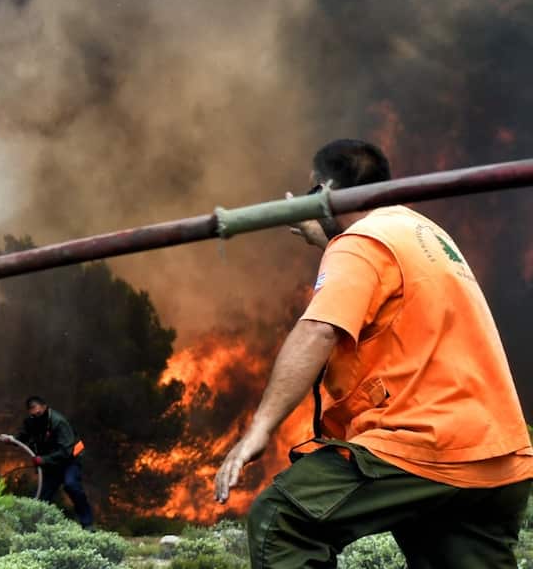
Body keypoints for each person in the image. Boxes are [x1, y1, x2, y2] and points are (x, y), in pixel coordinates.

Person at [214, 138, 533, 568]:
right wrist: (328, 237)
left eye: (312, 193)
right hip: (495, 457)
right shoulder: (423, 233)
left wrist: (260, 430)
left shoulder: (361, 241)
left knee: (282, 519)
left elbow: (319, 330)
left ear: (326, 189)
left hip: (425, 443)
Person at [8, 396, 92, 528]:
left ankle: (88, 524)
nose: (36, 416)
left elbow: (66, 451)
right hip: (52, 464)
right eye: (33, 414)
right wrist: (11, 439)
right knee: (42, 495)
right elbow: (22, 437)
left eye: (39, 413)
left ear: (45, 407)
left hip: (69, 462)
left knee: (71, 485)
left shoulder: (58, 422)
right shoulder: (32, 422)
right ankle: (32, 527)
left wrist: (44, 459)